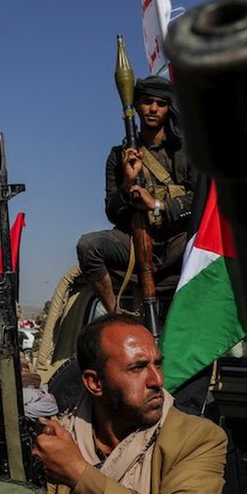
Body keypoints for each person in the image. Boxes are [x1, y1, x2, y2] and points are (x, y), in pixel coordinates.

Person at [32, 314, 227, 494]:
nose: (157, 379)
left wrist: (79, 474)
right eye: (137, 368)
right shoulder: (55, 438)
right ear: (95, 383)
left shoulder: (198, 439)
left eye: (157, 364)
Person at [76, 75, 199, 319]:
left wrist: (157, 205)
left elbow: (199, 199)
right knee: (88, 246)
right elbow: (112, 210)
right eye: (147, 102)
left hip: (178, 242)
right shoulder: (118, 156)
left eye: (160, 103)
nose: (153, 109)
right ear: (137, 106)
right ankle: (116, 315)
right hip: (133, 243)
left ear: (168, 108)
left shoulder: (187, 153)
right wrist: (128, 184)